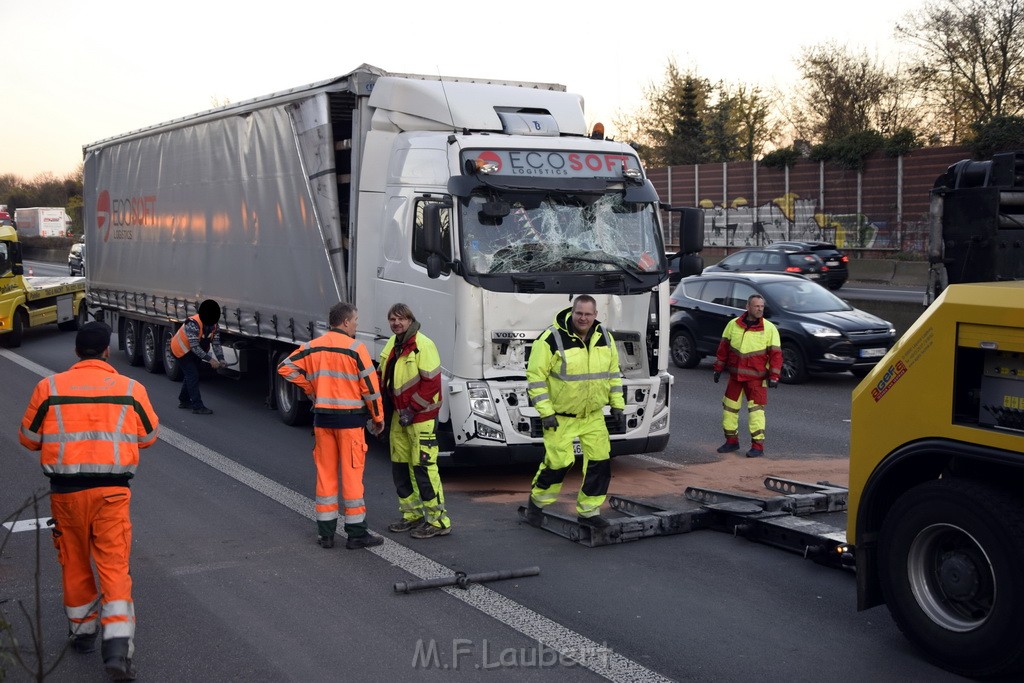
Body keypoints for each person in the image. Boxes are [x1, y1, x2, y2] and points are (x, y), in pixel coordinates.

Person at [19, 321, 159, 681]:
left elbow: (28, 438)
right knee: (114, 567)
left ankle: (82, 634)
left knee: (75, 561)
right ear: (107, 352)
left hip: (66, 495)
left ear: (76, 352)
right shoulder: (131, 388)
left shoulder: (48, 388)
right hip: (112, 493)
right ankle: (116, 649)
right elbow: (148, 436)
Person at [277, 302, 385, 550]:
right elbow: (370, 389)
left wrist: (311, 388)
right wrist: (378, 419)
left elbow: (285, 367)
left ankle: (326, 534)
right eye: (356, 320)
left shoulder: (313, 346)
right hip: (350, 424)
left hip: (323, 421)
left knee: (325, 477)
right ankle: (356, 533)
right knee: (352, 477)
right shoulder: (356, 348)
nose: (357, 324)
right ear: (346, 322)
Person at [523, 295, 625, 528]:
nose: (583, 318)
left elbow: (613, 375)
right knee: (559, 463)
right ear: (573, 311)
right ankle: (536, 503)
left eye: (588, 314)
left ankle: (589, 511)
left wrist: (617, 404)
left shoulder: (605, 338)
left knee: (600, 462)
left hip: (593, 416)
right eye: (579, 313)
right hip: (560, 417)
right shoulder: (551, 338)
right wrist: (545, 412)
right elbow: (535, 377)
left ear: (595, 315)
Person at [378, 303, 450, 539]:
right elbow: (382, 376)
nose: (396, 323)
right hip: (400, 416)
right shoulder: (393, 343)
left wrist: (413, 408)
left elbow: (431, 384)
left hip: (421, 417)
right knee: (400, 466)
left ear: (410, 320)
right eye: (392, 319)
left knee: (423, 468)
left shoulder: (423, 345)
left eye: (401, 319)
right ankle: (412, 515)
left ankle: (438, 521)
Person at [712, 294, 782, 458]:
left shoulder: (769, 328)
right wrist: (718, 368)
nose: (760, 309)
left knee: (756, 412)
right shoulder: (733, 325)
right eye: (757, 306)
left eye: (762, 307)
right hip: (735, 377)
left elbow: (776, 355)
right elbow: (723, 349)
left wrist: (774, 376)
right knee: (729, 409)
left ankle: (757, 446)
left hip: (756, 380)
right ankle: (731, 441)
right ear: (747, 307)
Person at [169, 299, 225, 415]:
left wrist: (221, 358)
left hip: (192, 352)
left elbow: (216, 343)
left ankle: (184, 400)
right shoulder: (193, 323)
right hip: (180, 350)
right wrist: (211, 360)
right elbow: (194, 347)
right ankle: (197, 406)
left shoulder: (214, 325)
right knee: (192, 375)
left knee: (191, 375)